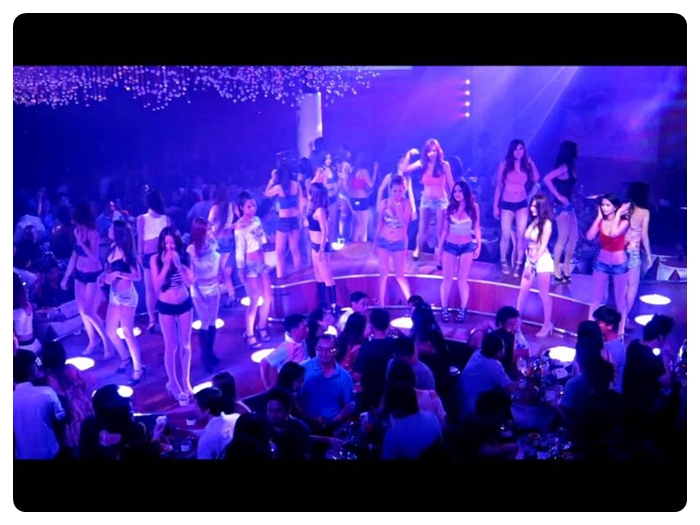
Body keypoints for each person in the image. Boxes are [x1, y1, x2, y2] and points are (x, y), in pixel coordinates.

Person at [150, 226, 195, 401]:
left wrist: (178, 265)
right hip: (166, 305)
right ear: (162, 243)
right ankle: (173, 383)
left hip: (184, 303)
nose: (169, 246)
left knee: (186, 345)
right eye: (166, 242)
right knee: (171, 346)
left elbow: (190, 282)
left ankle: (186, 381)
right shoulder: (155, 259)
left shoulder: (186, 256)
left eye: (172, 242)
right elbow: (157, 285)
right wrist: (167, 265)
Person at [61, 202, 110, 357]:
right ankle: (92, 340)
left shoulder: (93, 233)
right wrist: (66, 277)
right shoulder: (76, 231)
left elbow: (94, 256)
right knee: (82, 311)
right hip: (79, 274)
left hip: (92, 275)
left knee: (89, 311)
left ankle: (107, 343)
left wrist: (81, 242)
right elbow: (74, 255)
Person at [101, 220, 144, 384]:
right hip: (114, 294)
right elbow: (109, 269)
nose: (109, 229)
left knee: (127, 332)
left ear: (118, 233)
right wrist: (103, 276)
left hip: (127, 296)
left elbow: (137, 276)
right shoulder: (112, 248)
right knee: (110, 330)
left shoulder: (127, 252)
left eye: (112, 228)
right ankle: (125, 358)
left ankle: (138, 369)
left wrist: (118, 273)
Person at [492, 139, 540, 277]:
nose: (518, 152)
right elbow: (499, 185)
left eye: (521, 149)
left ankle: (519, 263)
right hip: (507, 203)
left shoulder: (526, 165)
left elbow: (536, 179)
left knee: (521, 236)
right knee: (506, 235)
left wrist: (532, 163)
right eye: (516, 149)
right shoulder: (505, 164)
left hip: (521, 203)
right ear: (511, 150)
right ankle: (503, 261)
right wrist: (495, 206)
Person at [436, 180, 482, 323]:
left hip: (467, 246)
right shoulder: (449, 208)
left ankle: (463, 309)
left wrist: (479, 245)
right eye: (455, 191)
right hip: (450, 245)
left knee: (462, 279)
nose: (457, 194)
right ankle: (444, 308)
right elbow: (445, 230)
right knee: (447, 278)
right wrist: (439, 248)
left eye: (460, 191)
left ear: (465, 192)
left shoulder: (474, 208)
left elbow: (476, 227)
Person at [586, 194, 631, 335]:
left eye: (607, 205)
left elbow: (613, 234)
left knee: (620, 300)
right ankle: (590, 330)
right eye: (602, 205)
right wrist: (598, 217)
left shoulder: (624, 222)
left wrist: (618, 215)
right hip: (602, 263)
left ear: (615, 207)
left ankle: (620, 332)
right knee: (596, 298)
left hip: (619, 264)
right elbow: (589, 236)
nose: (604, 208)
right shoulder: (601, 221)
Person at [404, 139, 455, 261]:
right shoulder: (422, 163)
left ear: (438, 151)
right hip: (426, 200)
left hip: (441, 201)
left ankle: (439, 253)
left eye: (434, 151)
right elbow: (405, 169)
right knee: (423, 228)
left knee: (439, 230)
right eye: (429, 151)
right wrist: (408, 154)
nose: (432, 154)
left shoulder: (444, 165)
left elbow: (451, 184)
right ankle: (418, 248)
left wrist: (455, 201)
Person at [234, 191, 273, 349]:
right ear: (242, 207)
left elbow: (262, 241)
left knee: (268, 297)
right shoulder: (239, 227)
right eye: (249, 206)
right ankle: (249, 334)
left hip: (261, 262)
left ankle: (262, 326)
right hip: (249, 265)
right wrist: (241, 270)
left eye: (254, 205)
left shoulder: (257, 220)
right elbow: (239, 250)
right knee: (254, 300)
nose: (252, 208)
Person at [515, 194, 555, 338]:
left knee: (543, 294)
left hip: (541, 260)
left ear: (541, 207)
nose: (531, 208)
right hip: (530, 259)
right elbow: (527, 240)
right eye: (531, 205)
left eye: (535, 206)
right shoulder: (534, 220)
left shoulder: (547, 223)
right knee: (523, 290)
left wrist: (532, 262)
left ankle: (547, 324)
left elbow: (543, 246)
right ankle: (516, 320)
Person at [187, 217, 224, 371]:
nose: (210, 232)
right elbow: (191, 275)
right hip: (199, 288)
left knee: (213, 321)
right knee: (205, 321)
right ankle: (205, 355)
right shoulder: (192, 249)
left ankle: (210, 352)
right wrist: (199, 293)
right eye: (207, 230)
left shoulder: (212, 243)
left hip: (213, 285)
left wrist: (222, 275)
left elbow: (217, 261)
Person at [542, 140, 579, 284]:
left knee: (574, 237)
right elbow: (546, 179)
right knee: (562, 238)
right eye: (576, 148)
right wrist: (558, 196)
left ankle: (566, 268)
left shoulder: (570, 166)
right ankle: (556, 269)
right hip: (561, 207)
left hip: (569, 205)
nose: (578, 151)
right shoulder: (563, 167)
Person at [374, 175, 413, 307]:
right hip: (383, 241)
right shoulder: (384, 203)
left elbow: (404, 222)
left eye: (400, 191)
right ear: (390, 190)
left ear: (404, 190)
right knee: (383, 273)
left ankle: (411, 303)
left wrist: (397, 208)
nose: (397, 194)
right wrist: (375, 242)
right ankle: (381, 303)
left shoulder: (406, 203)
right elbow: (380, 223)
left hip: (399, 243)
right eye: (395, 191)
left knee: (399, 275)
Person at [136, 189, 170, 332]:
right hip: (155, 255)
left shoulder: (164, 218)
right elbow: (140, 237)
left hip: (159, 255)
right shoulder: (143, 218)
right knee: (154, 288)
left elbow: (141, 238)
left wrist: (139, 254)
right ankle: (155, 319)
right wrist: (140, 254)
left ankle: (157, 318)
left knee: (155, 288)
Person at [264, 164, 303, 278]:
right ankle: (299, 275)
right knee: (295, 249)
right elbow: (300, 203)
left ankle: (281, 277)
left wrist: (272, 180)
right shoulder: (296, 185)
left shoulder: (279, 187)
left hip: (284, 221)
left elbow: (266, 194)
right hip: (295, 219)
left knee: (279, 252)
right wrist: (300, 218)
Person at [624, 182, 652, 326]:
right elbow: (644, 236)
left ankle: (622, 319)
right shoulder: (644, 212)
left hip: (618, 252)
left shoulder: (624, 208)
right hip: (633, 252)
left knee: (622, 288)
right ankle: (623, 319)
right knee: (632, 287)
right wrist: (649, 256)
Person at [307, 183, 337, 311]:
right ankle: (322, 305)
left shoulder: (320, 211)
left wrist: (321, 250)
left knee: (327, 277)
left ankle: (333, 306)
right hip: (314, 246)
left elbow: (325, 232)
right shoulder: (313, 208)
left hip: (321, 247)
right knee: (318, 277)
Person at [208, 182, 236, 306]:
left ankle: (220, 299)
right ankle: (231, 296)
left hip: (218, 242)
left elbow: (209, 225)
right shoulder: (231, 206)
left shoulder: (215, 208)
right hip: (229, 240)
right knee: (223, 271)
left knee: (218, 271)